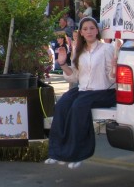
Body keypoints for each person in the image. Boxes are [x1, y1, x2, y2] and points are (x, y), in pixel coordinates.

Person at [46, 16, 117, 169]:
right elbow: (74, 76)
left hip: (104, 91)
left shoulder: (107, 49)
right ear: (81, 33)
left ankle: (78, 154)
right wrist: (63, 63)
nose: (89, 31)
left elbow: (112, 79)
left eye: (92, 28)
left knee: (78, 107)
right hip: (84, 89)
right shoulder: (79, 51)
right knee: (62, 105)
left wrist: (114, 69)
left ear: (97, 30)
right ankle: (57, 152)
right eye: (85, 29)